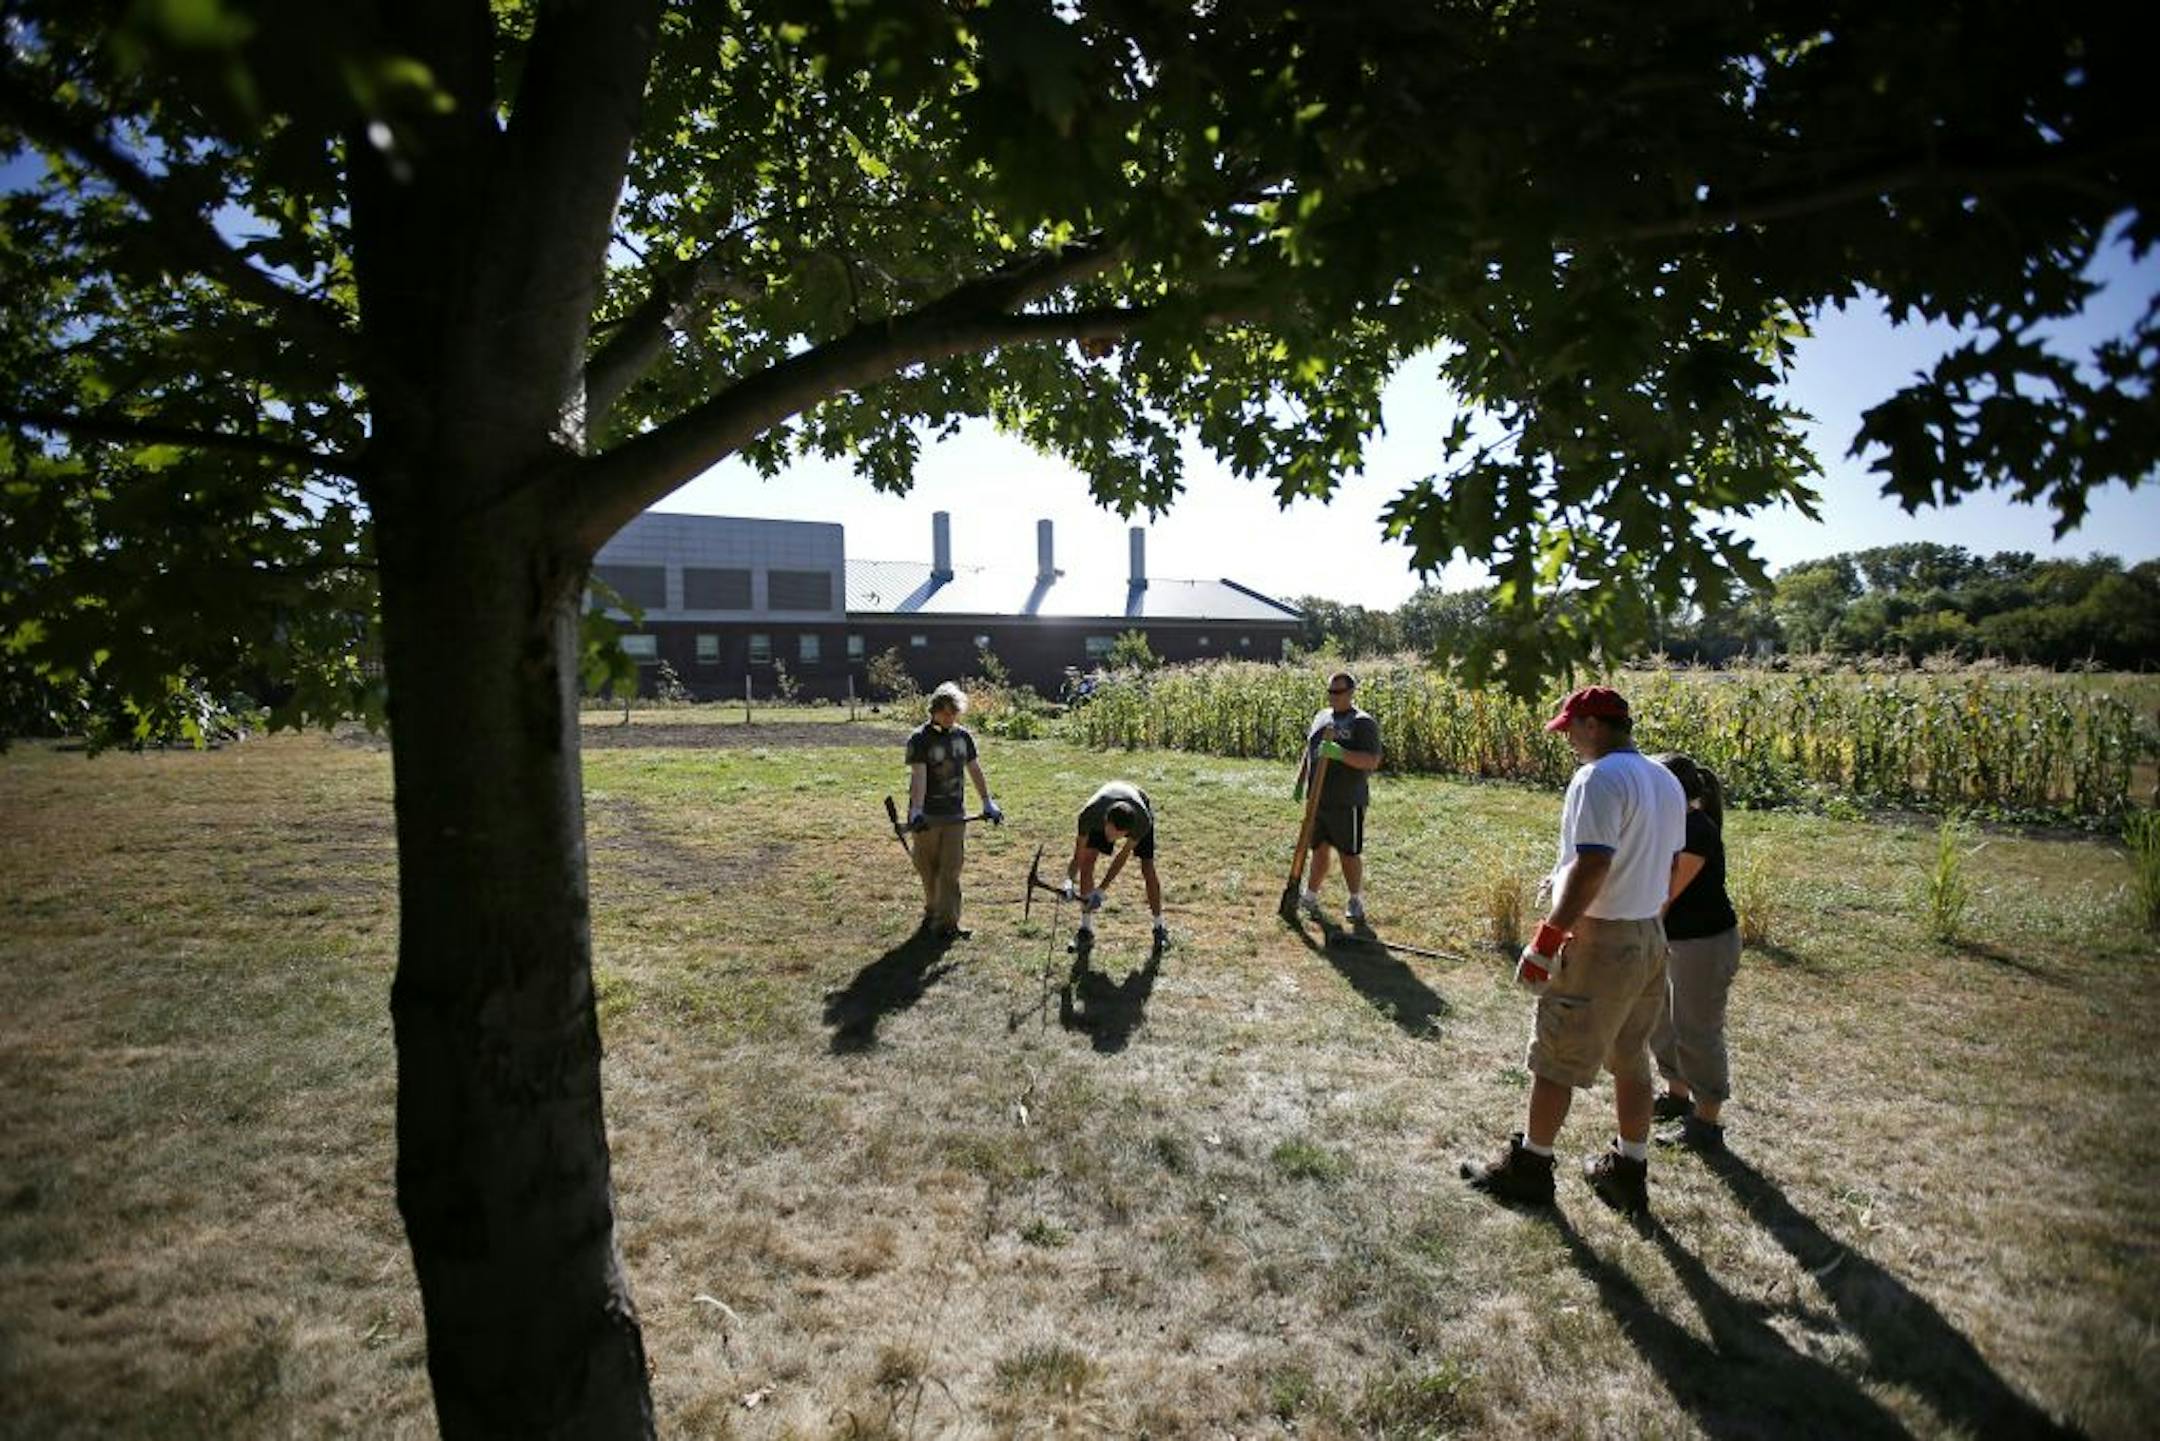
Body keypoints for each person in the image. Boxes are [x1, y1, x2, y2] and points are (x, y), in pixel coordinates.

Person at [1462, 685, 1686, 1216]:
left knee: (1557, 1056)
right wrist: (1648, 919)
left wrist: (1547, 939)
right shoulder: (1665, 778)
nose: (1568, 742)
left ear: (1592, 724)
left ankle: (1531, 1168)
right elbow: (1670, 866)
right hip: (1647, 933)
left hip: (1601, 939)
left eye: (1570, 730)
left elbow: (1593, 864)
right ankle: (1628, 1169)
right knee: (1631, 1057)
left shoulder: (1599, 777)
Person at [1648, 752, 1740, 1152]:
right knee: (1662, 1021)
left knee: (1697, 1031)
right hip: (1673, 940)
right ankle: (1676, 1095)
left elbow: (1665, 894)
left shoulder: (1695, 830)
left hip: (1703, 944)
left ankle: (1705, 1122)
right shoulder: (1668, 825)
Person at [904, 682, 1002, 940]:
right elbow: (919, 777)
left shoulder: (963, 737)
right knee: (928, 869)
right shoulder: (919, 740)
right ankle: (932, 910)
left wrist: (987, 801)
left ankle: (948, 923)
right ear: (934, 710)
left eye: (954, 713)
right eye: (945, 712)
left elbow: (974, 769)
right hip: (927, 816)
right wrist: (916, 810)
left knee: (951, 869)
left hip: (955, 815)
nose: (950, 717)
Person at [1291, 670, 1383, 921]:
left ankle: (1355, 900)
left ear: (1351, 693)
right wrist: (1300, 781)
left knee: (1348, 853)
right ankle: (1309, 896)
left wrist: (1340, 754)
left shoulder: (1362, 722)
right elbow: (1309, 750)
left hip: (1347, 800)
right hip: (1318, 798)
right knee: (1319, 849)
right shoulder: (1321, 717)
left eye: (1338, 692)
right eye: (1330, 692)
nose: (1332, 697)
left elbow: (1372, 760)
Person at [1062, 780, 1168, 953]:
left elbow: (1122, 857)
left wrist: (1101, 890)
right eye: (1110, 832)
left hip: (1138, 801)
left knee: (1147, 867)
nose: (1112, 838)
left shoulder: (1142, 822)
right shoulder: (1089, 817)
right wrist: (1068, 881)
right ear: (1106, 822)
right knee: (1088, 862)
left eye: (1120, 835)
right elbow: (1078, 857)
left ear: (1127, 831)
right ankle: (1085, 929)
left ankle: (1159, 927)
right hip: (1102, 806)